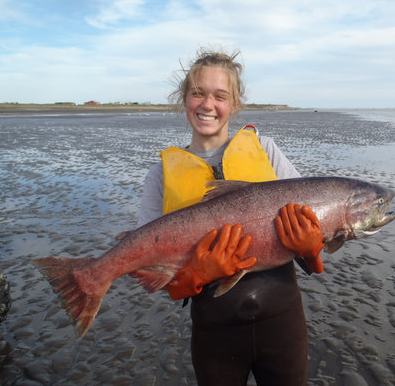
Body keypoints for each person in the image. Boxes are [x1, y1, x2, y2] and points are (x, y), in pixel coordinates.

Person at [137, 48, 324, 386]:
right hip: (215, 333)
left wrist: (312, 249)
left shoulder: (265, 151)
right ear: (184, 99)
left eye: (220, 96)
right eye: (198, 93)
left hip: (283, 325)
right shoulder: (159, 176)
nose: (208, 105)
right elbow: (159, 278)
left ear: (234, 105)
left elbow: (313, 232)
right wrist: (197, 273)